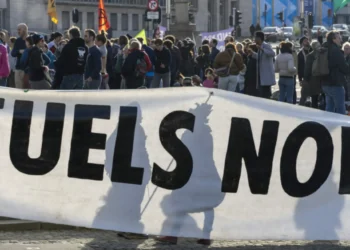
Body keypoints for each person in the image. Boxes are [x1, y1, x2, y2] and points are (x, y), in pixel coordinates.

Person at [322, 31, 349, 114]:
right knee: (340, 110)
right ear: (333, 39)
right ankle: (342, 126)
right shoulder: (336, 51)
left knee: (329, 109)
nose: (341, 40)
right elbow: (344, 68)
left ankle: (327, 126)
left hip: (325, 83)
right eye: (339, 38)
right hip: (336, 83)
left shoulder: (324, 48)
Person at [249, 31, 276, 99]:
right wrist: (252, 53)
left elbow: (272, 53)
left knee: (266, 92)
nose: (254, 39)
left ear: (259, 38)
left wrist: (262, 49)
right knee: (261, 92)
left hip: (266, 73)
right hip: (261, 73)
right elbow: (260, 57)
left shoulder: (266, 45)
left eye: (255, 37)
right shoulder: (259, 46)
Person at [300, 41, 323, 108]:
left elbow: (307, 69)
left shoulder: (310, 56)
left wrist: (305, 79)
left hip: (312, 79)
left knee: (311, 97)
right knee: (318, 97)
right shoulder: (322, 54)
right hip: (321, 78)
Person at [11, 23, 28, 89]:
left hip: (28, 70)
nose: (18, 31)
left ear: (25, 30)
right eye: (17, 30)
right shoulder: (18, 40)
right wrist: (19, 51)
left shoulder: (32, 40)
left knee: (27, 91)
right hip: (18, 69)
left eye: (19, 29)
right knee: (19, 90)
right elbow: (13, 53)